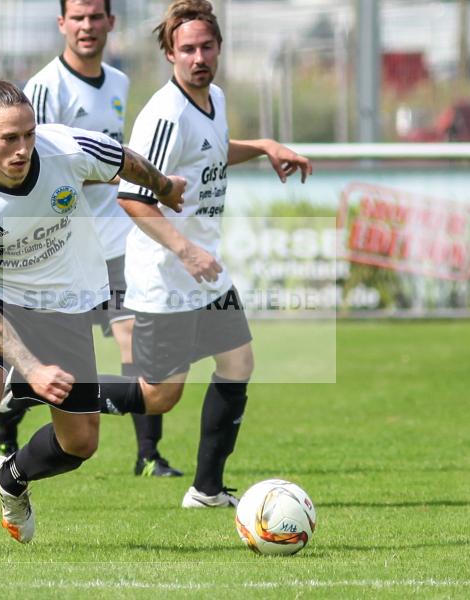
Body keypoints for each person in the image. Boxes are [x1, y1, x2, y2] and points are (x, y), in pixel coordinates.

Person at [0, 70, 185, 555]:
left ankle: (14, 477)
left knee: (80, 443)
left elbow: (124, 162)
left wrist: (163, 186)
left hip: (61, 303)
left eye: (28, 134)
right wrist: (31, 368)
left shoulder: (64, 149)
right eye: (9, 138)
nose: (23, 148)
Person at [100, 0, 313, 508]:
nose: (199, 57)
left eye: (207, 46)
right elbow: (130, 197)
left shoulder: (212, 96)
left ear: (218, 47)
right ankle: (45, 386)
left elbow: (212, 150)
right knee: (159, 395)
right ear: (170, 53)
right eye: (188, 49)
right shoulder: (165, 114)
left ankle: (207, 488)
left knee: (238, 362)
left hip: (203, 272)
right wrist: (187, 251)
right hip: (166, 275)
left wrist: (262, 146)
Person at [0, 0, 183, 478]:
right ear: (62, 23)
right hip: (62, 248)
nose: (86, 26)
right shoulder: (43, 87)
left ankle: (148, 456)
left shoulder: (118, 84)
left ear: (110, 23)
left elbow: (112, 158)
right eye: (77, 17)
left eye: (95, 16)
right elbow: (37, 169)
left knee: (137, 351)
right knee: (62, 362)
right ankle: (15, 408)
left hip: (116, 244)